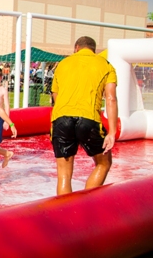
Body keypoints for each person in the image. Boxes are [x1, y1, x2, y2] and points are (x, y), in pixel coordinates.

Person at [50, 36, 118, 196]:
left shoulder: (63, 64)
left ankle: (65, 212)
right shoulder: (106, 65)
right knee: (103, 163)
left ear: (76, 48)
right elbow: (111, 98)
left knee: (64, 175)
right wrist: (112, 132)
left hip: (61, 118)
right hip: (88, 118)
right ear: (94, 50)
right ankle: (86, 205)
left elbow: (55, 95)